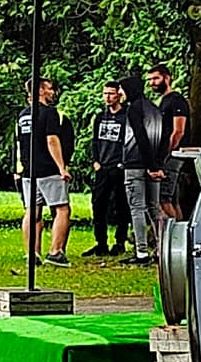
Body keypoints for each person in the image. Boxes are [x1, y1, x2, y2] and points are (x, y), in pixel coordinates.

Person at [13, 76, 73, 268]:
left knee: (32, 211)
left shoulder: (22, 115)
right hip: (48, 169)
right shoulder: (49, 113)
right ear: (39, 91)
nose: (52, 92)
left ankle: (32, 253)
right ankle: (55, 252)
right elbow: (52, 140)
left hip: (29, 171)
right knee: (62, 209)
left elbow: (19, 142)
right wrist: (62, 167)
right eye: (48, 89)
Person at [85, 78, 138, 258]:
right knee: (98, 203)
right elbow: (95, 141)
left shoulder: (126, 116)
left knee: (121, 204)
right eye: (105, 93)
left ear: (119, 95)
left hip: (119, 166)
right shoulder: (100, 117)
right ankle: (100, 242)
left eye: (111, 94)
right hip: (102, 166)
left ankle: (120, 241)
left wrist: (122, 162)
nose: (108, 97)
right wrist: (96, 161)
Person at [127, 64, 177, 255]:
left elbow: (141, 137)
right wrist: (158, 162)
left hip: (136, 163)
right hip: (155, 163)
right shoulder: (155, 108)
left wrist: (150, 164)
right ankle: (161, 247)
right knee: (154, 207)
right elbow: (164, 137)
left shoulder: (134, 109)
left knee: (138, 207)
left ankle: (141, 251)